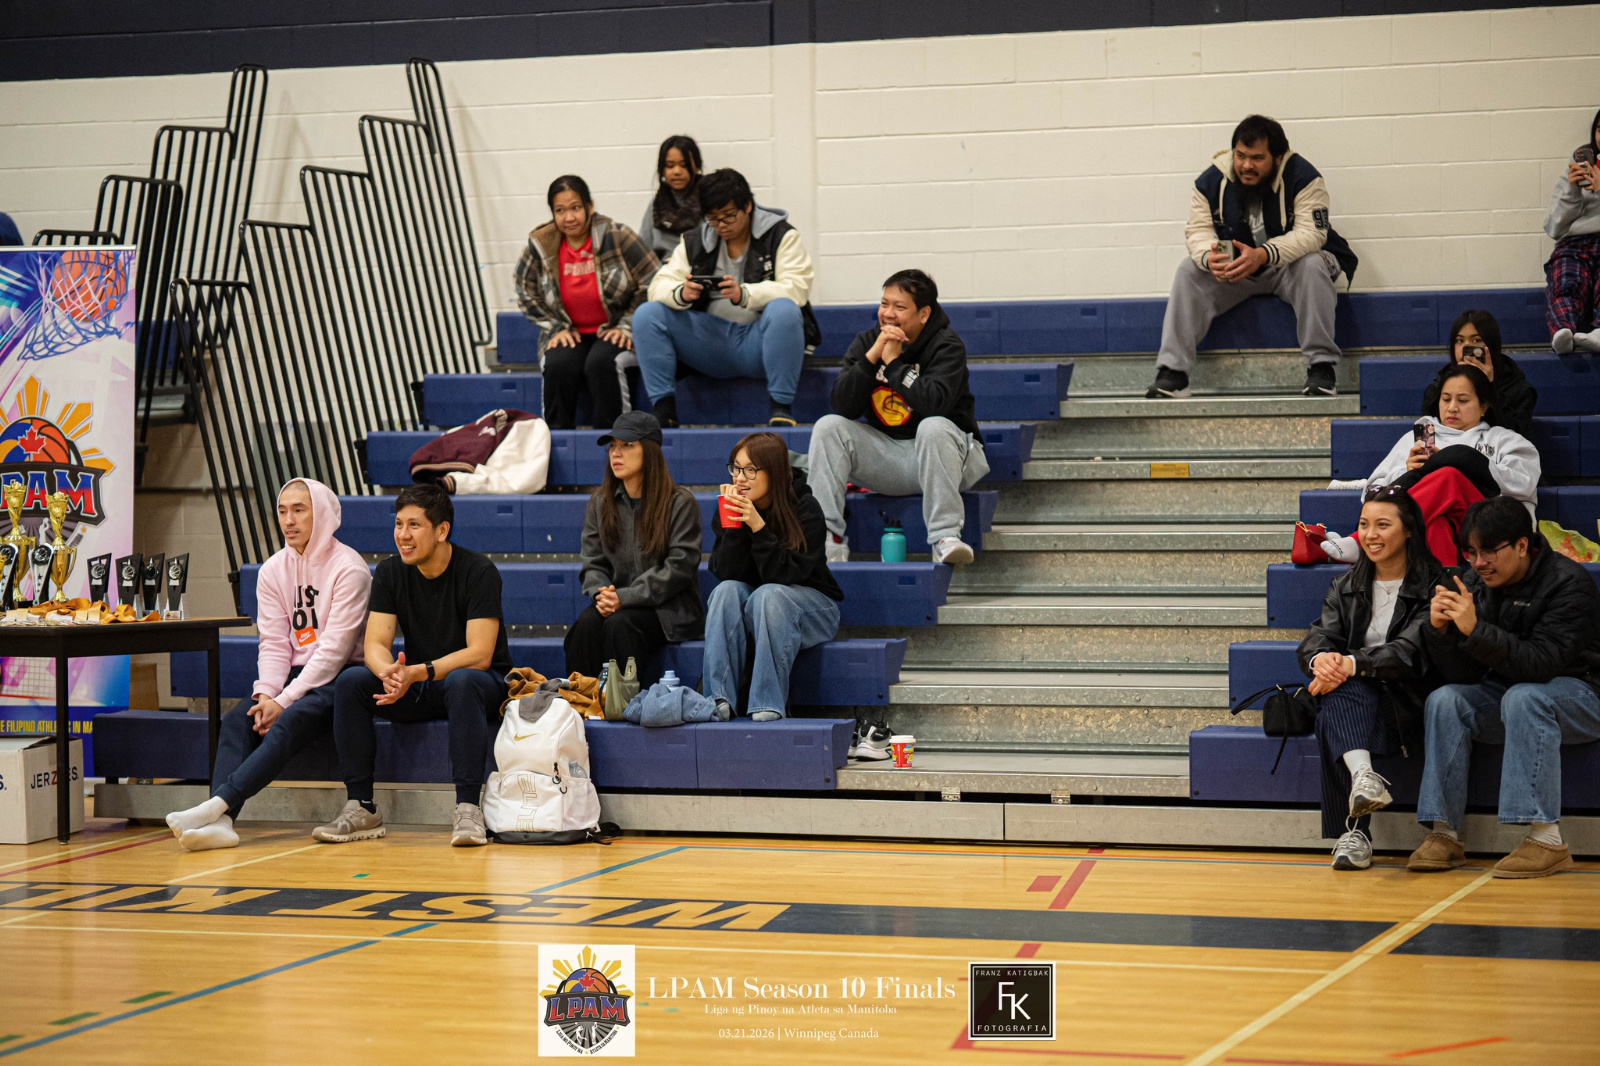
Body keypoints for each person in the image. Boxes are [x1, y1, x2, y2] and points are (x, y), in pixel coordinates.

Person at [164, 479, 371, 851]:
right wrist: (266, 695)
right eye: (282, 511)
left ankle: (215, 806)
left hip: (340, 679)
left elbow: (333, 651)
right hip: (293, 677)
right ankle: (223, 823)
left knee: (287, 722)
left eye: (299, 510)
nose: (288, 520)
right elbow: (274, 643)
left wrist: (284, 701)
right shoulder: (273, 570)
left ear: (322, 513)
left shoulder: (350, 569)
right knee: (237, 720)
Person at [1409, 495, 1600, 878]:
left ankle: (1546, 840)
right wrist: (1442, 632)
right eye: (1471, 553)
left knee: (1525, 697)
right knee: (1446, 700)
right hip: (1513, 694)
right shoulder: (1475, 583)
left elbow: (1541, 664)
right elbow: (1463, 675)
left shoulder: (1569, 583)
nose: (1479, 563)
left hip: (1584, 695)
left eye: (1489, 551)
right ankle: (1444, 834)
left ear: (1522, 545)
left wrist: (1476, 630)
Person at [320, 484, 513, 847]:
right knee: (352, 681)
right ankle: (361, 806)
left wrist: (416, 672)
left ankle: (468, 808)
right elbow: (375, 645)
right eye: (398, 524)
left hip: (480, 686)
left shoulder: (478, 571)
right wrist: (390, 675)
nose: (403, 535)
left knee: (462, 681)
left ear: (442, 530)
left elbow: (480, 654)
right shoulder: (390, 572)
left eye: (414, 525)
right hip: (419, 684)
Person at [1147, 115, 1358, 400]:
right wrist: (1209, 258)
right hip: (1239, 269)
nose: (1246, 165)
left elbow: (1312, 234)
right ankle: (1173, 373)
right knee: (1188, 270)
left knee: (1313, 264)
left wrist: (1263, 254)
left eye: (1257, 158)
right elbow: (1198, 231)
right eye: (1240, 156)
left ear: (1278, 158)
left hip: (1289, 267)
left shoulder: (1305, 177)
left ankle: (1321, 367)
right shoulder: (1211, 181)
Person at [1297, 487, 1441, 870]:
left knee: (1340, 693)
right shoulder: (1346, 584)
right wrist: (1322, 661)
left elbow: (1409, 652)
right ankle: (1364, 779)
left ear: (1408, 530)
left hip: (1411, 705)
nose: (1371, 535)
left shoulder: (1435, 584)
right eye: (1364, 525)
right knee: (1340, 692)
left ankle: (1353, 833)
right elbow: (1317, 638)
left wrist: (1348, 665)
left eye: (1382, 525)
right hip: (1360, 703)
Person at [808, 269, 988, 567]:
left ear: (924, 314)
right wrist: (872, 358)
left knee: (933, 427)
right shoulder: (868, 342)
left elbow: (933, 404)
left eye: (899, 307)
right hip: (890, 459)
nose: (888, 314)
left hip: (948, 460)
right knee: (828, 427)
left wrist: (893, 364)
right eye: (884, 304)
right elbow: (843, 406)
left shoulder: (946, 346)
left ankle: (945, 537)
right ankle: (826, 540)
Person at [632, 168, 820, 428]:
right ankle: (665, 411)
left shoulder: (781, 235)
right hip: (710, 342)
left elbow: (797, 288)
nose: (721, 225)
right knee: (647, 314)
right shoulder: (695, 241)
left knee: (785, 310)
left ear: (748, 206)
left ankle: (781, 408)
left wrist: (746, 294)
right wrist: (681, 294)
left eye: (729, 216)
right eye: (713, 218)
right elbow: (657, 287)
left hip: (761, 343)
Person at [1320, 365, 1539, 569]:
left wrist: (1465, 465)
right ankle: (1443, 586)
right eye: (1446, 399)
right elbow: (1372, 492)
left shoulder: (1505, 440)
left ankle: (1362, 541)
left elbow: (1523, 484)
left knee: (1449, 475)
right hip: (1435, 532)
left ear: (1483, 406)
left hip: (1487, 525)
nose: (1452, 408)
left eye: (1463, 400)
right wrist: (1407, 471)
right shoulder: (1416, 438)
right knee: (1436, 522)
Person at [704, 431, 842, 721]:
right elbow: (725, 572)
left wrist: (759, 527)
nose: (740, 478)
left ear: (774, 472)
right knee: (726, 591)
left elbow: (786, 574)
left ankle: (767, 702)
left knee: (769, 595)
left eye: (751, 470)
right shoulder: (731, 506)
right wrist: (734, 527)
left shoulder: (806, 508)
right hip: (759, 606)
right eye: (735, 468)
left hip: (814, 609)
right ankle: (717, 699)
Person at [513, 175, 659, 430]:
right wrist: (555, 327)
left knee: (601, 364)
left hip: (614, 329)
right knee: (557, 365)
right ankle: (557, 441)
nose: (569, 217)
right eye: (560, 210)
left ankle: (615, 441)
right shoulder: (541, 244)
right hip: (569, 332)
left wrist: (627, 325)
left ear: (590, 206)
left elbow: (655, 281)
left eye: (575, 208)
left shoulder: (617, 235)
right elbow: (524, 290)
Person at [567, 411, 705, 680]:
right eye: (612, 446)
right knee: (585, 625)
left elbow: (679, 567)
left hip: (668, 611)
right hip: (617, 604)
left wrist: (625, 597)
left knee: (620, 625)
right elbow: (593, 563)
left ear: (649, 451)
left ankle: (623, 702)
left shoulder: (679, 503)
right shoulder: (600, 502)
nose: (616, 453)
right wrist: (602, 594)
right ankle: (581, 701)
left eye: (627, 445)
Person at [1421, 310, 1537, 440]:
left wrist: (1490, 387)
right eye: (1459, 340)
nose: (1466, 347)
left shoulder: (1519, 390)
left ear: (1491, 345)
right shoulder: (1438, 387)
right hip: (1447, 450)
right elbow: (1426, 434)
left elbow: (1517, 439)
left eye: (1476, 340)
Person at [1544, 107, 1600, 354]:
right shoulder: (1577, 166)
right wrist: (1572, 191)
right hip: (1575, 242)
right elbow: (1554, 227)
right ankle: (1562, 330)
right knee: (1566, 278)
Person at [641, 135, 703, 261]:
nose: (677, 171)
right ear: (662, 169)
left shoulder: (709, 200)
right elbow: (642, 250)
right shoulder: (655, 206)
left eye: (684, 165)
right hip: (663, 269)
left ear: (697, 167)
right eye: (670, 166)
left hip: (700, 268)